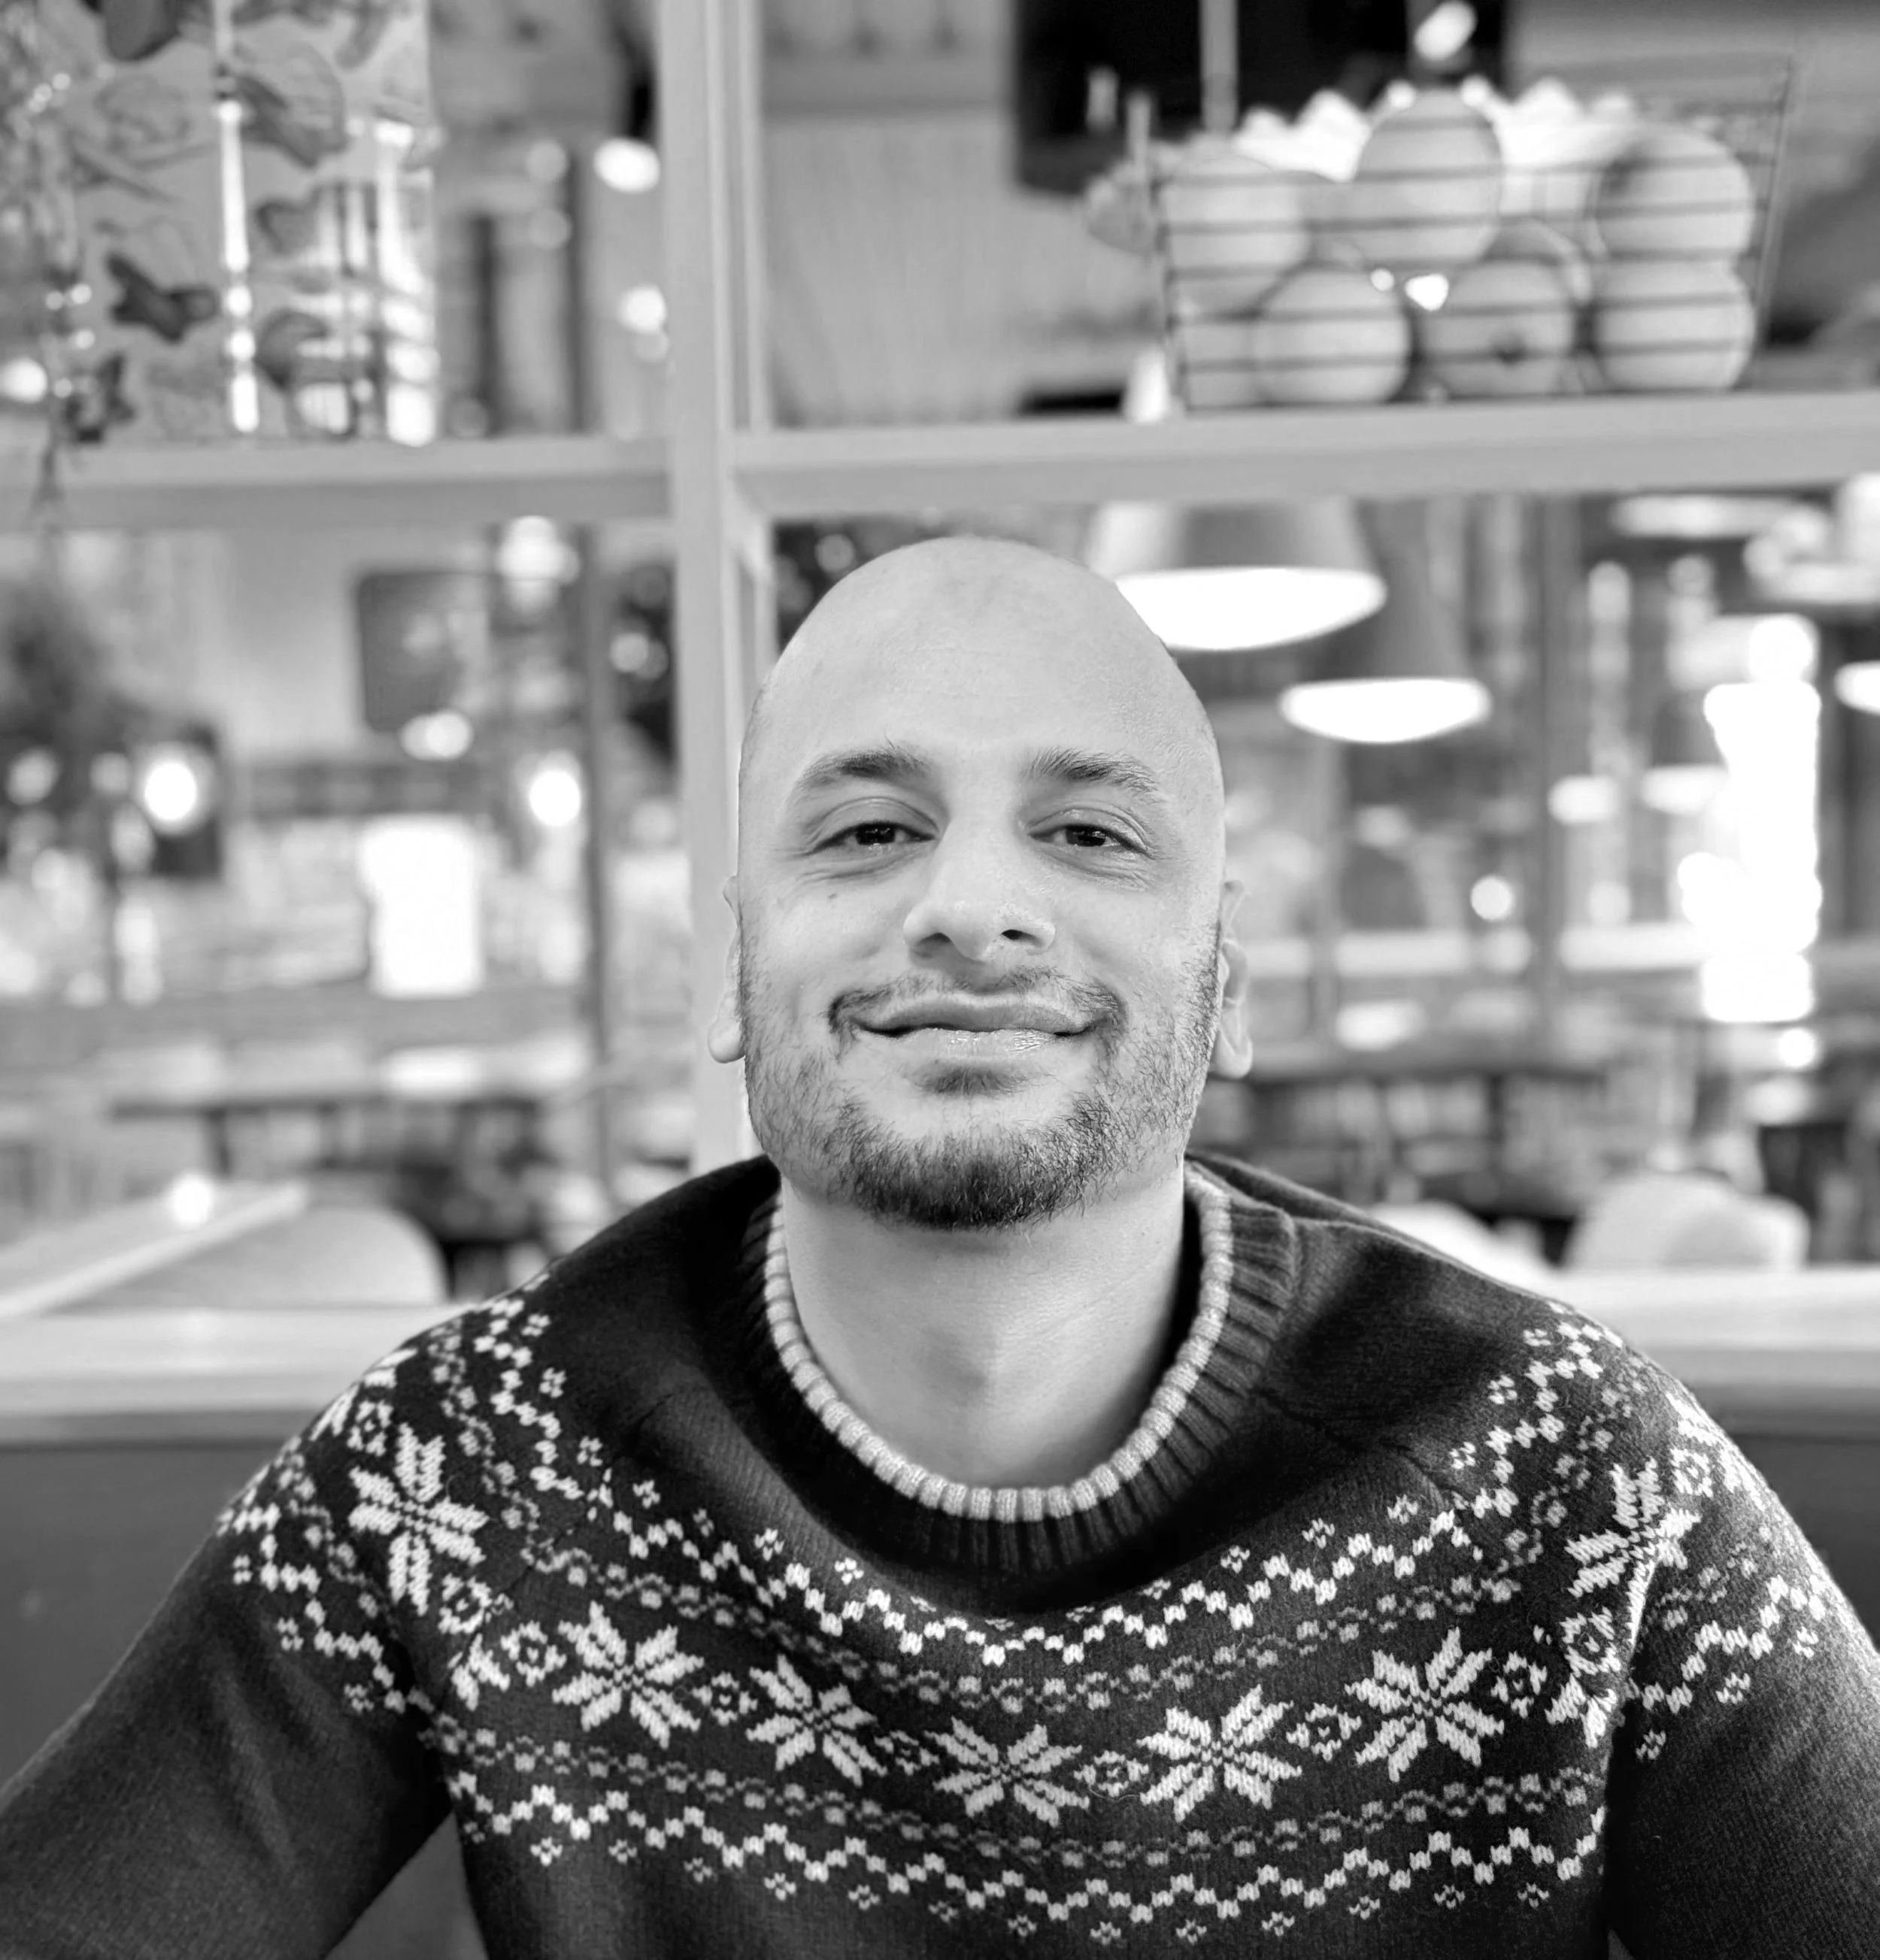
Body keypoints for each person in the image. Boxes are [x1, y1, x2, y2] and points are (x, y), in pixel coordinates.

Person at [3, 536, 1878, 1958]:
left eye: (1088, 833)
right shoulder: (463, 1471)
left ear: (1228, 981)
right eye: (868, 829)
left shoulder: (1572, 1474)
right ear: (725, 967)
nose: (971, 906)